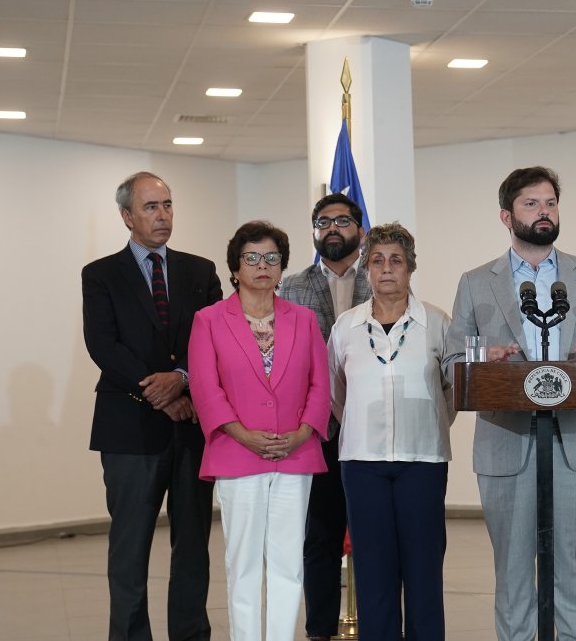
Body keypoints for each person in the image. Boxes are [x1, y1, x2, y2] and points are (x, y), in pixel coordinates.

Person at [441, 166, 576, 641]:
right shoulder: (474, 282)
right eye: (531, 204)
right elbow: (450, 360)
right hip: (506, 440)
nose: (544, 212)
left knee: (571, 560)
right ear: (507, 216)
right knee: (511, 567)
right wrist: (484, 356)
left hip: (575, 441)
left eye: (550, 202)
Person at [82, 171, 220, 641]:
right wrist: (157, 393)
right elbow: (103, 345)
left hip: (192, 429)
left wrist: (181, 380)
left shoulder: (200, 271)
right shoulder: (100, 274)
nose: (162, 216)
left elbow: (216, 340)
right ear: (127, 216)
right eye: (150, 207)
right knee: (130, 547)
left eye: (167, 205)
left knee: (192, 549)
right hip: (129, 430)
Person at [187, 221, 331, 641]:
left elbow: (320, 385)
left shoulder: (303, 320)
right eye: (251, 257)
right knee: (244, 562)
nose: (262, 265)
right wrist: (242, 433)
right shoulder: (209, 320)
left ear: (283, 267)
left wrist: (304, 432)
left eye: (271, 258)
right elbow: (204, 387)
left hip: (296, 454)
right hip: (237, 453)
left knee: (288, 562)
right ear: (235, 268)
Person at [328, 222, 455, 641]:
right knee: (372, 570)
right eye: (378, 261)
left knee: (423, 570)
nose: (387, 269)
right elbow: (335, 392)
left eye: (396, 261)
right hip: (362, 463)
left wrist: (430, 422)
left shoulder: (436, 323)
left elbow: (452, 390)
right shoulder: (345, 327)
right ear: (366, 270)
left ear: (410, 268)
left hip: (423, 460)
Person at [279, 194, 371, 641]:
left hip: (371, 430)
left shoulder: (382, 279)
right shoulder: (291, 286)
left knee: (373, 537)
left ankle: (377, 624)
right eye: (323, 222)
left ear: (360, 229)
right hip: (316, 430)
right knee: (319, 536)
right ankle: (319, 630)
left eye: (342, 220)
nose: (332, 228)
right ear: (314, 231)